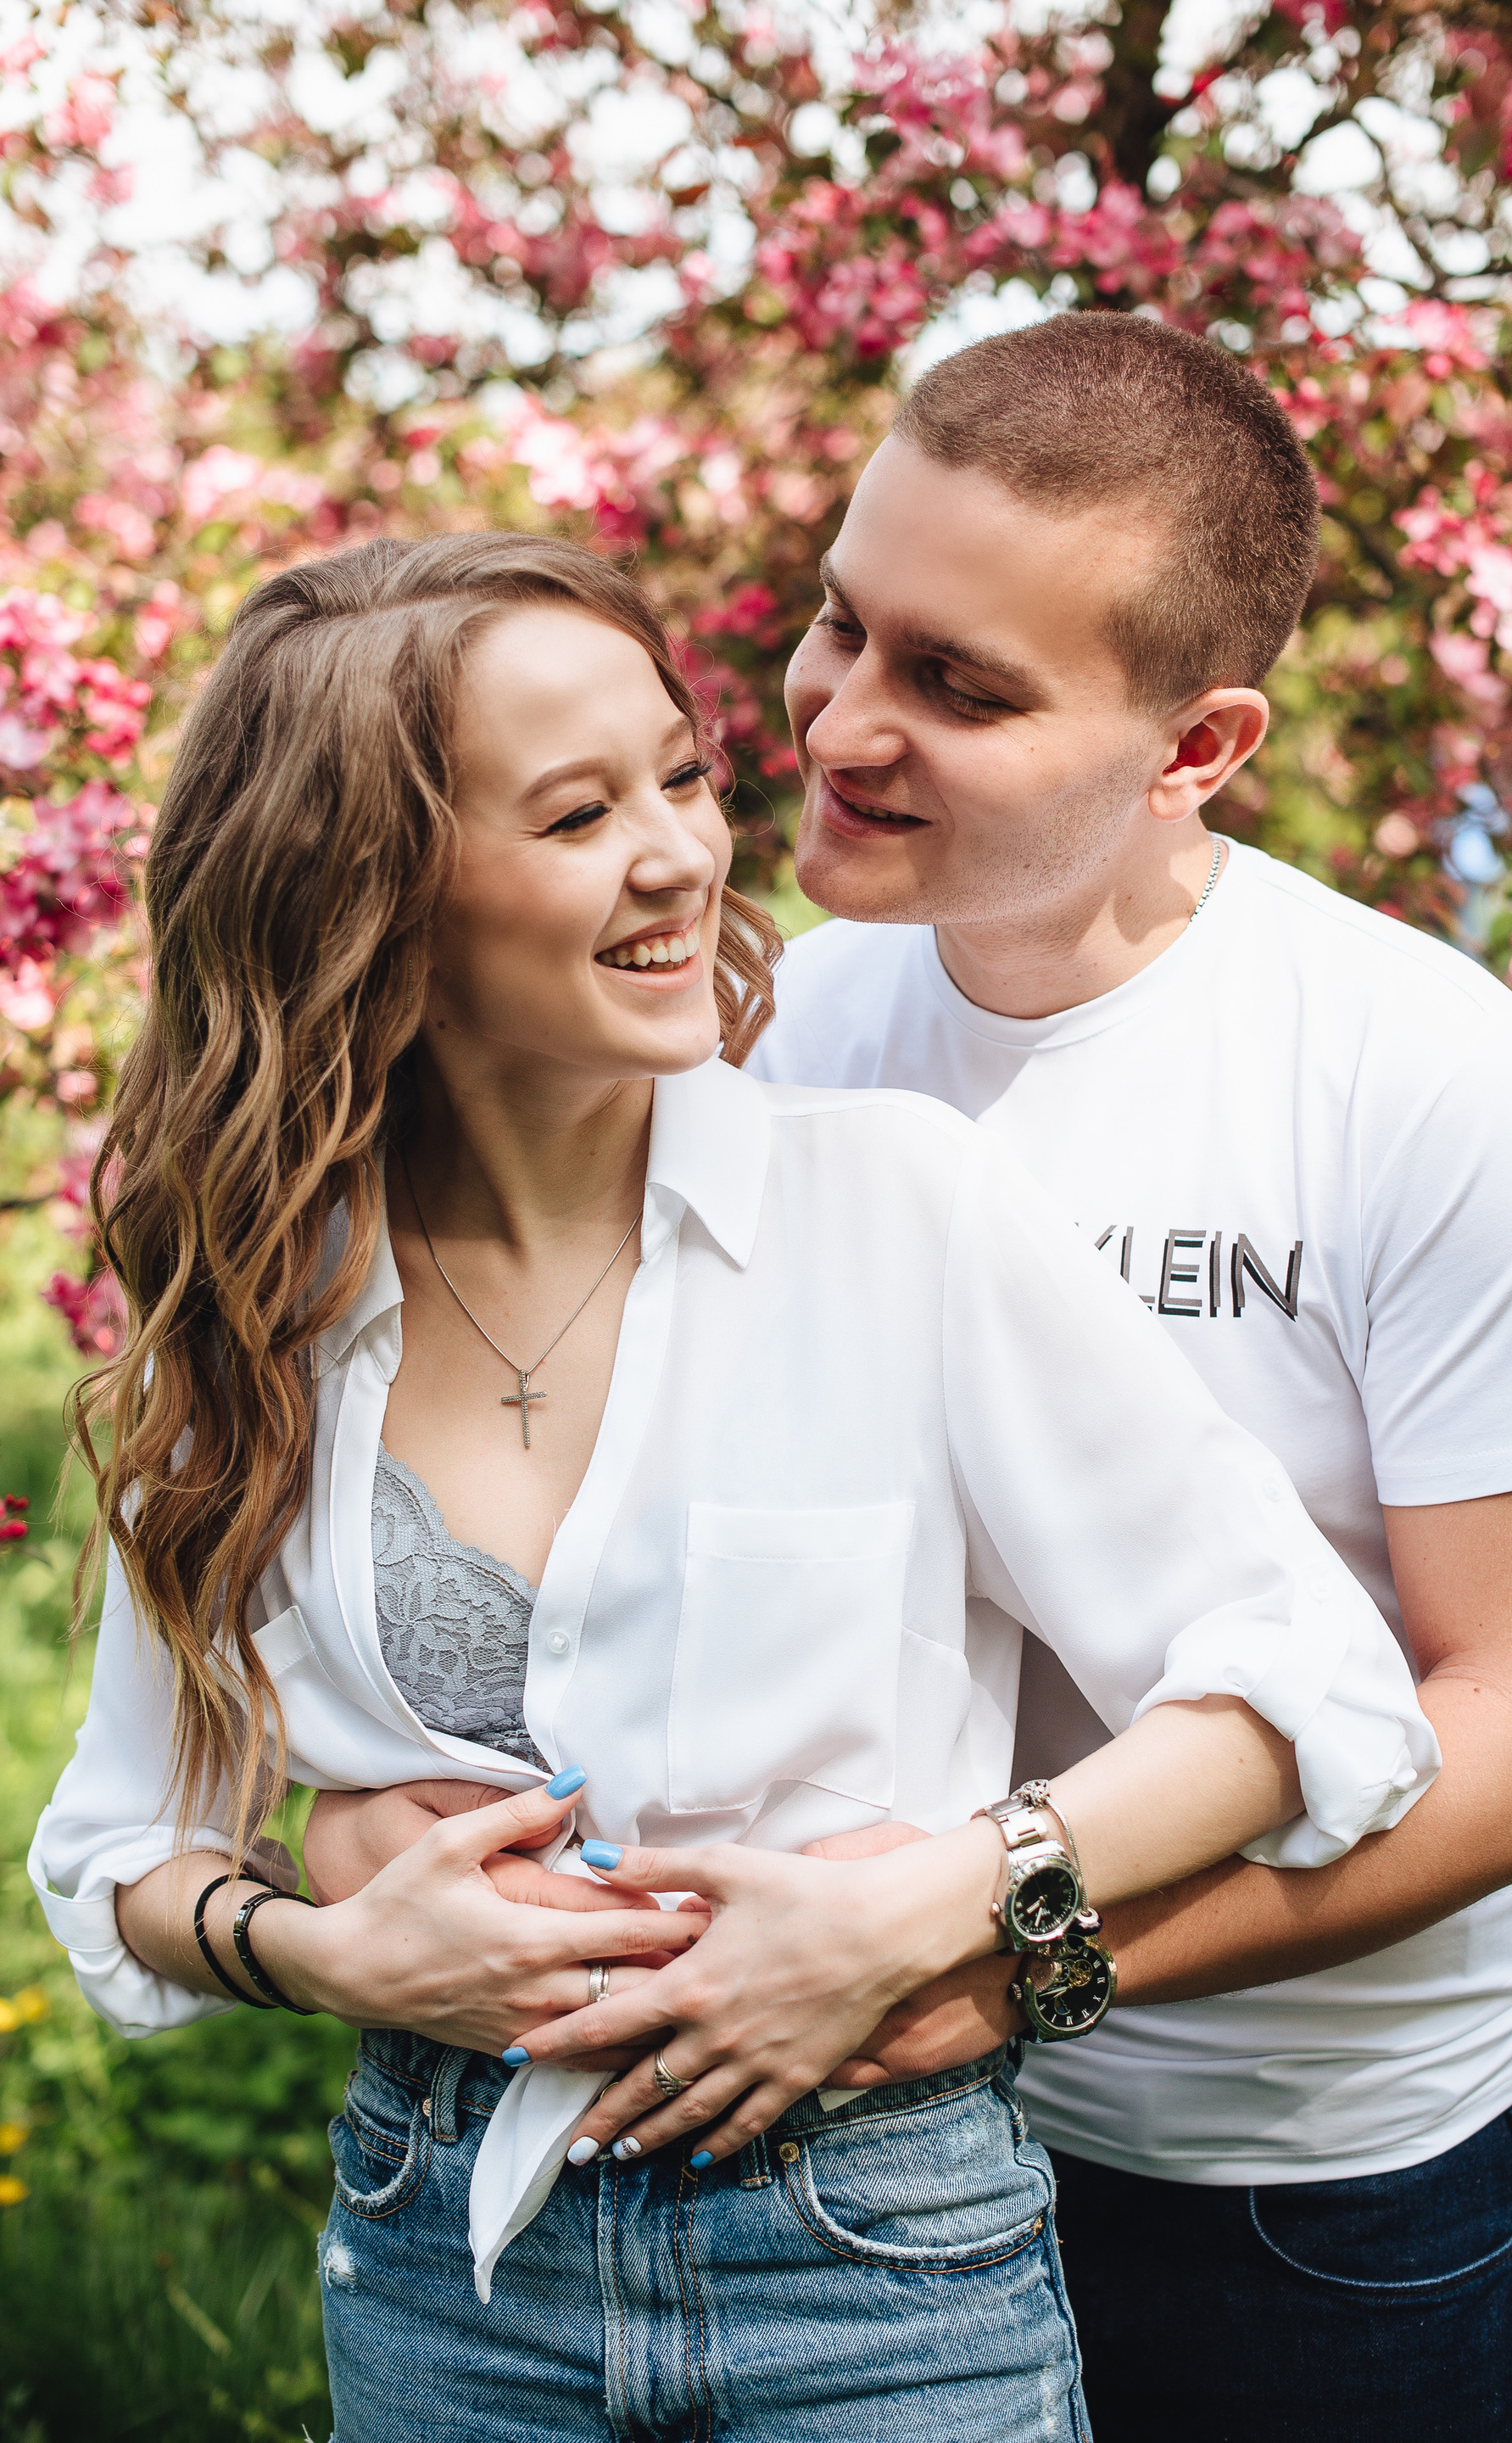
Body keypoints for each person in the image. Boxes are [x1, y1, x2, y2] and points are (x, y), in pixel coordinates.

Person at [29, 531, 1438, 2443]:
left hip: (872, 2268)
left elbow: (1308, 1683)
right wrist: (331, 1950)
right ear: (372, 898)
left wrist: (947, 1900)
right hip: (447, 2272)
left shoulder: (895, 1208)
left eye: (681, 777)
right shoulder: (257, 1299)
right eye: (577, 815)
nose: (685, 854)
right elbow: (120, 1852)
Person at [738, 310, 1512, 2442]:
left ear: (1197, 744)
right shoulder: (776, 1028)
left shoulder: (1415, 1075)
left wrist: (1004, 1969)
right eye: (843, 624)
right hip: (856, 2157)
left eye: (958, 686)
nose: (843, 720)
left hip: (1303, 2200)